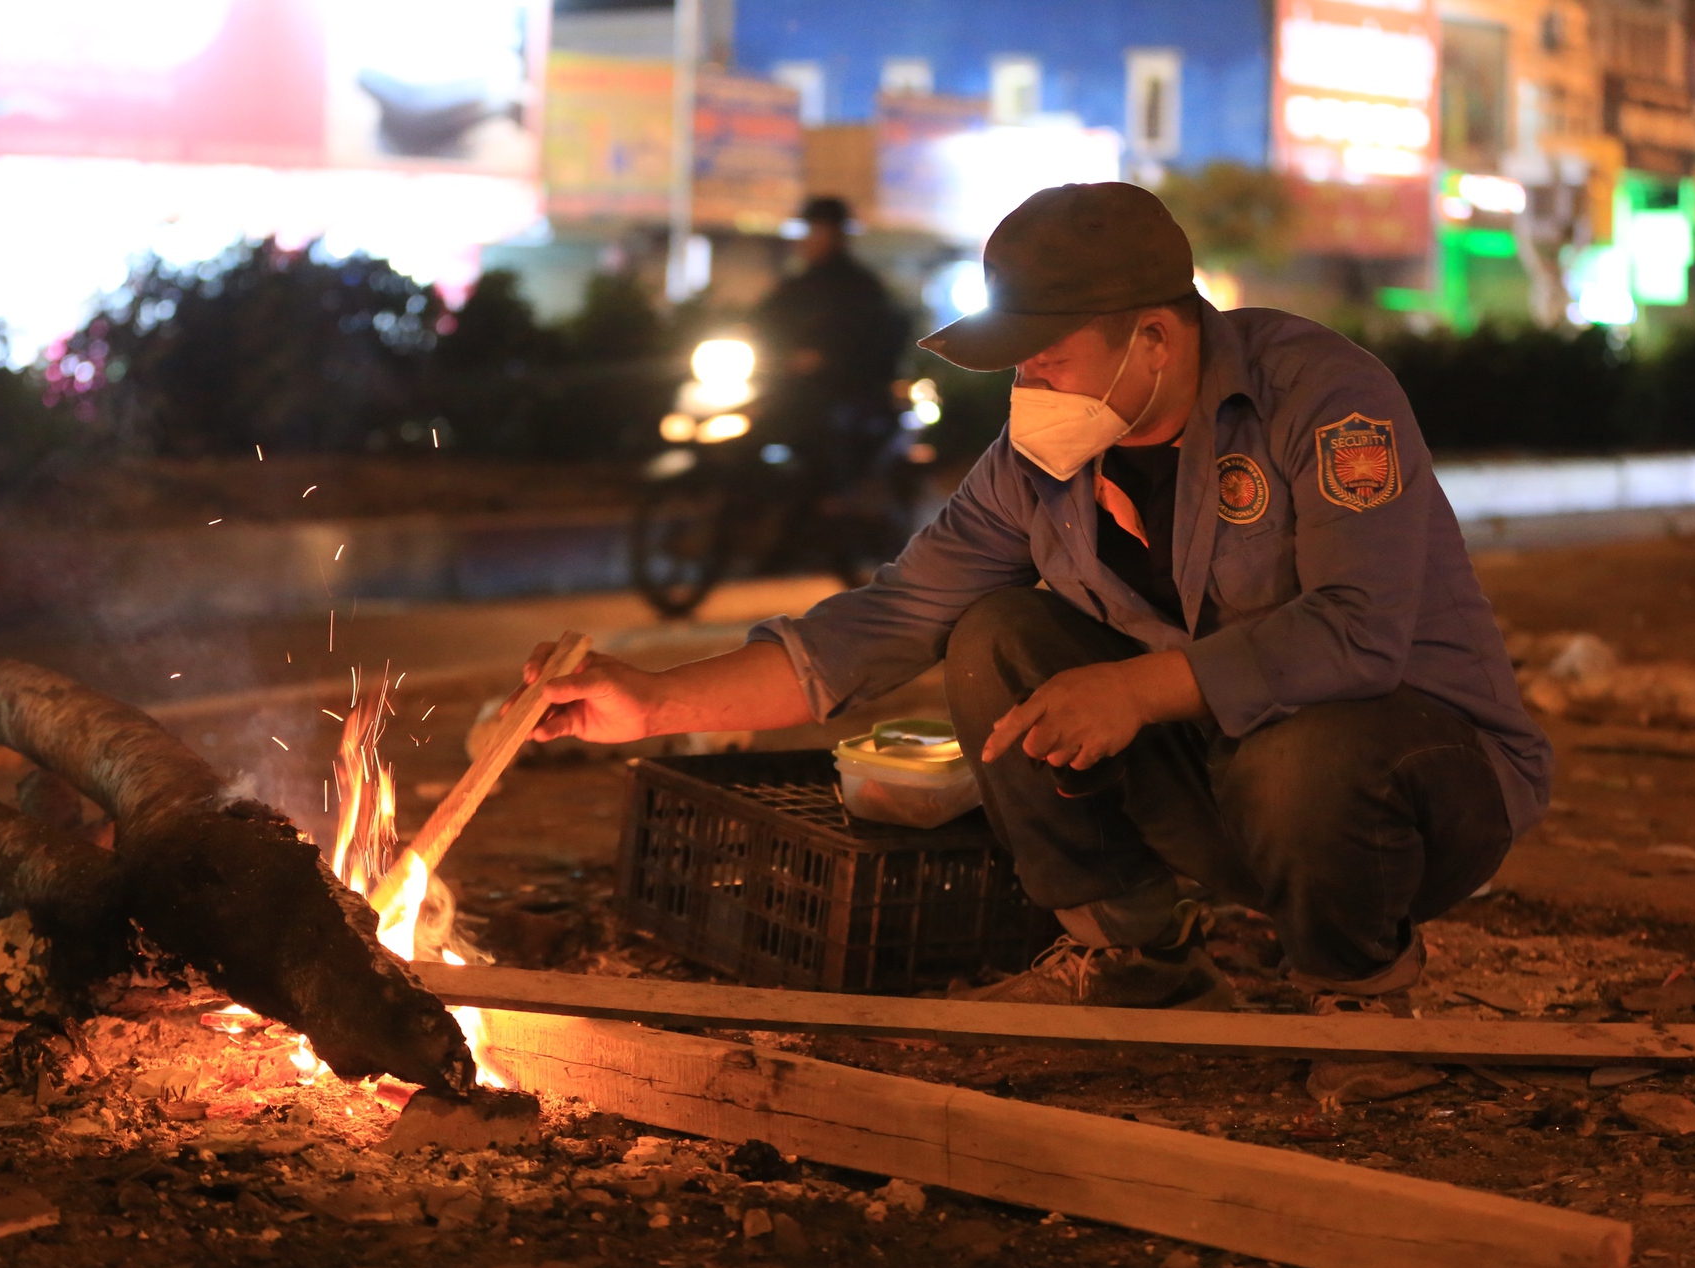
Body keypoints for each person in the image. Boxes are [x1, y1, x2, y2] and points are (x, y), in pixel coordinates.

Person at [520, 183, 1551, 1015]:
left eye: (1049, 357)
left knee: (1303, 750)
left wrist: (1139, 689)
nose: (1028, 384)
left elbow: (1357, 633)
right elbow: (883, 623)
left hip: (1414, 789)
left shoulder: (1321, 396)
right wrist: (652, 703)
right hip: (1225, 792)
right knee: (994, 635)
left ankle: (1361, 992)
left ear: (1153, 338)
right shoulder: (1038, 460)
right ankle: (1143, 960)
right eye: (1018, 359)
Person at [749, 196, 910, 492]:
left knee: (828, 432)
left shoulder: (862, 287)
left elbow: (876, 339)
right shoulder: (794, 286)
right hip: (787, 386)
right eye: (809, 230)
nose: (812, 239)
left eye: (821, 231)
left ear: (839, 235)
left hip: (844, 391)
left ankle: (834, 502)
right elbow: (762, 323)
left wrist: (827, 359)